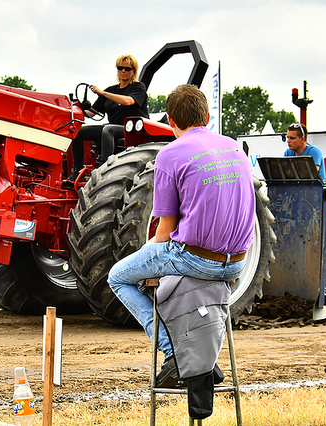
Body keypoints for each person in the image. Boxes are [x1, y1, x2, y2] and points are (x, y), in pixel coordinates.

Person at [107, 84, 256, 386]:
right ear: (208, 115)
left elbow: (164, 232)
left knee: (119, 277)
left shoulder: (170, 154)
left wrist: (146, 256)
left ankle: (173, 351)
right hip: (238, 262)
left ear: (170, 121)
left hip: (197, 260)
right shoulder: (235, 148)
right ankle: (196, 353)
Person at [69, 54, 149, 179]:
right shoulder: (111, 90)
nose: (123, 71)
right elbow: (92, 113)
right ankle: (77, 170)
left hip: (132, 130)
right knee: (78, 132)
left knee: (108, 129)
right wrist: (80, 108)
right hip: (113, 128)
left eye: (127, 69)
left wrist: (103, 93)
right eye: (120, 68)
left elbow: (128, 101)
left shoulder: (138, 88)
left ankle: (103, 169)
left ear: (133, 71)